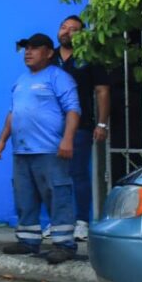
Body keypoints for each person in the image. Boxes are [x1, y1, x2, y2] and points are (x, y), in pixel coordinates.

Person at [0, 33, 81, 264]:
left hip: (50, 150)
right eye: (26, 49)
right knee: (25, 197)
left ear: (49, 52)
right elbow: (14, 113)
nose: (28, 52)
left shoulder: (58, 78)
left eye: (34, 48)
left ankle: (64, 245)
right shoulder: (21, 81)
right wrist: (2, 139)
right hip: (22, 151)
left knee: (57, 195)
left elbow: (73, 110)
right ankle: (27, 241)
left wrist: (68, 139)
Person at [51, 15, 111, 241]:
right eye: (63, 27)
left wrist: (102, 123)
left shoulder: (89, 57)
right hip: (50, 128)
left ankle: (81, 222)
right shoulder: (50, 57)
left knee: (78, 173)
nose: (67, 32)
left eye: (73, 29)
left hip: (81, 126)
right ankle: (60, 223)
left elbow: (102, 91)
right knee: (55, 176)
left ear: (82, 34)